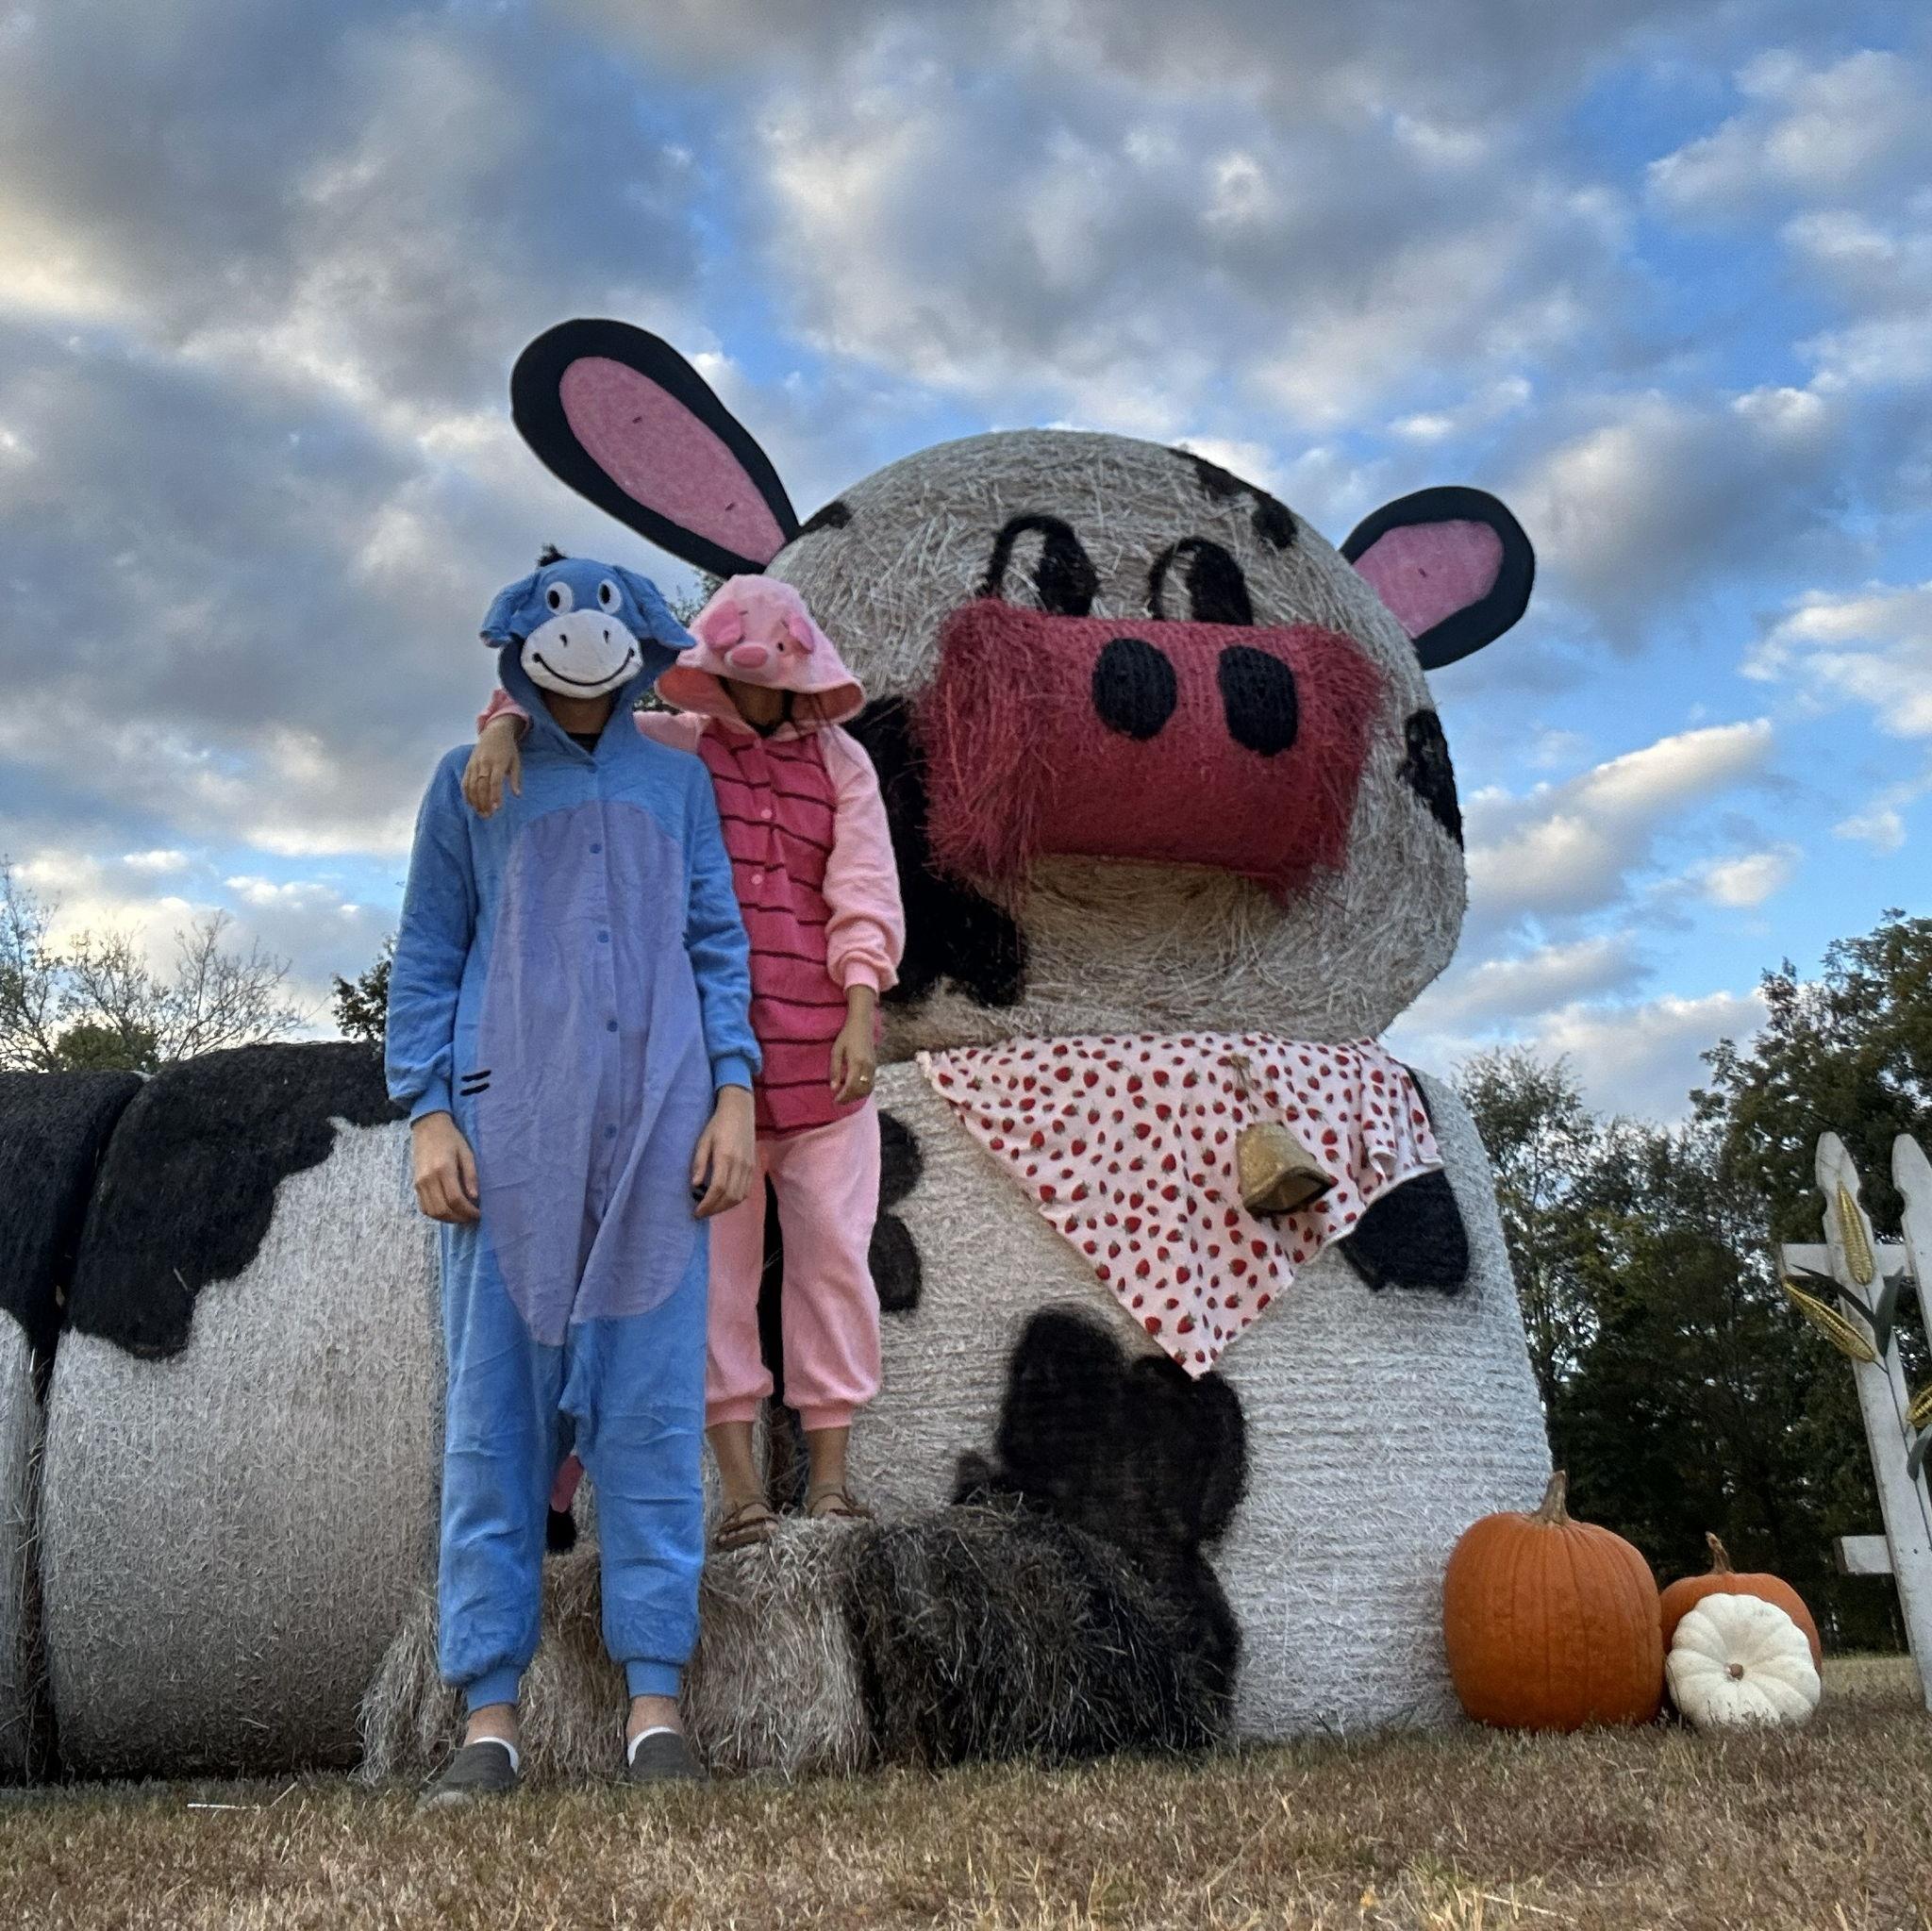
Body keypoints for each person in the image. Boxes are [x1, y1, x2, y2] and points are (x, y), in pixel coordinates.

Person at [387, 551, 759, 1804]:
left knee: (650, 1415)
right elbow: (428, 953)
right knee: (494, 1422)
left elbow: (715, 942)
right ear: (520, 641)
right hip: (509, 1145)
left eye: (608, 617)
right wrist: (428, 1115)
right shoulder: (471, 781)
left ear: (643, 640)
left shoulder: (679, 783)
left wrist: (734, 1092)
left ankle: (657, 1707)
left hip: (660, 1137)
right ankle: (488, 1716)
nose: (585, 636)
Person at [464, 573, 903, 1552]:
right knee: (713, 1285)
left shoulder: (843, 764)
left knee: (835, 1264)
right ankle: (741, 1495)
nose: (758, 688)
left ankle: (832, 1487)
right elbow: (575, 717)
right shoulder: (678, 746)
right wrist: (502, 723)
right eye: (741, 670)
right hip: (705, 1080)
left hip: (826, 1070)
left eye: (774, 672)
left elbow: (864, 885)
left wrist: (860, 1008)